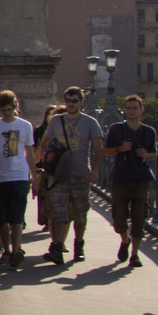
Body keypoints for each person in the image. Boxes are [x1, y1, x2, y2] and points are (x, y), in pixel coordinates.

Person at [34, 86, 104, 264]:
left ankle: (78, 245)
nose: (71, 104)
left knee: (80, 212)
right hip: (59, 174)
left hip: (80, 174)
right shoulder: (56, 121)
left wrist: (95, 170)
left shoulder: (90, 122)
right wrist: (43, 163)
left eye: (74, 101)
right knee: (58, 211)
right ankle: (57, 247)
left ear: (81, 102)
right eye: (68, 101)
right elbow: (44, 143)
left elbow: (98, 149)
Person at [0, 90, 36, 268]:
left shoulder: (26, 126)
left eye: (9, 109)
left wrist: (34, 176)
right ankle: (7, 250)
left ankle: (17, 250)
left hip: (19, 176)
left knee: (17, 217)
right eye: (3, 110)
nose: (6, 113)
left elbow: (30, 153)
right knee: (2, 217)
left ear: (15, 107)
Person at [102, 95, 156, 268]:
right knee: (119, 217)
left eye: (135, 108)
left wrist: (146, 155)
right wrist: (119, 149)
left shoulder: (149, 131)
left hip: (141, 179)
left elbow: (154, 153)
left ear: (141, 109)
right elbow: (105, 151)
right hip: (120, 178)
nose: (132, 111)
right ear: (124, 110)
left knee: (139, 216)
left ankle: (135, 254)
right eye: (129, 108)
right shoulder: (116, 129)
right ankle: (125, 240)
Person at [31, 103, 63, 230]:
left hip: (62, 170)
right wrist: (33, 169)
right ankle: (49, 223)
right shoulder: (42, 132)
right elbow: (38, 150)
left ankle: (53, 226)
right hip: (46, 169)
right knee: (46, 197)